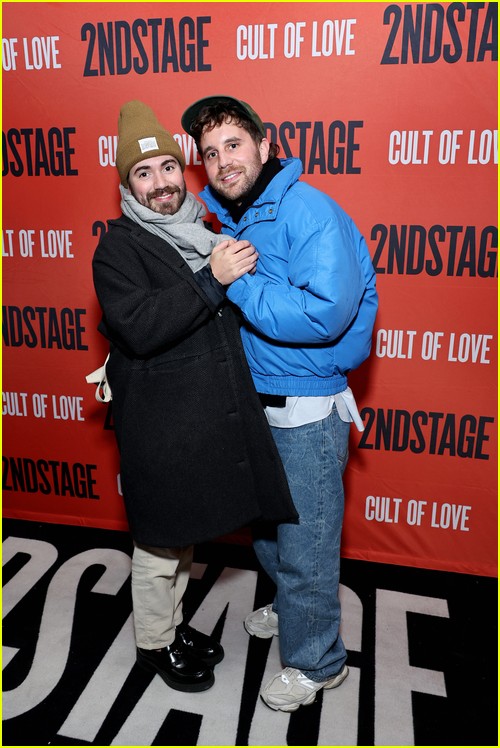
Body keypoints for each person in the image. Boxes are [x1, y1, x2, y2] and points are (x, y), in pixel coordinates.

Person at [91, 100, 297, 694]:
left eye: (168, 168)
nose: (160, 184)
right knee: (158, 544)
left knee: (181, 542)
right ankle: (155, 643)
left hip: (201, 419)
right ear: (128, 183)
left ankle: (174, 628)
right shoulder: (119, 246)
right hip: (158, 425)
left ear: (185, 172)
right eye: (143, 173)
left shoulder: (203, 229)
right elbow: (141, 326)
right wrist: (214, 280)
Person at [182, 95, 378, 711]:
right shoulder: (235, 221)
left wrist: (238, 282)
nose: (222, 162)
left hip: (308, 408)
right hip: (258, 400)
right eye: (210, 153)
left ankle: (320, 662)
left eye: (233, 145)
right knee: (267, 527)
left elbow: (325, 313)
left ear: (265, 146)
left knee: (307, 544)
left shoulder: (307, 209)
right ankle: (292, 605)